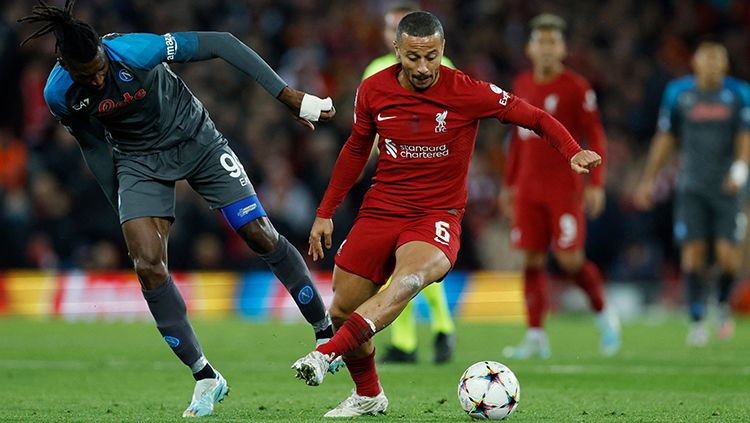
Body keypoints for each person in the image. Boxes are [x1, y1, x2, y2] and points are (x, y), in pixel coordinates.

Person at [20, 0, 339, 418]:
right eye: (87, 76)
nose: (98, 78)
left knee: (258, 232)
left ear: (102, 49)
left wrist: (287, 95)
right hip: (137, 160)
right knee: (147, 265)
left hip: (197, 140)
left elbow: (223, 43)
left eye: (99, 67)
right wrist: (119, 199)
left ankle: (323, 332)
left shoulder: (136, 51)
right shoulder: (59, 94)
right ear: (65, 67)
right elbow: (93, 145)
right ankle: (206, 377)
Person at [291, 11, 601, 417]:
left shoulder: (467, 90)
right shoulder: (372, 90)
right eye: (414, 58)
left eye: (432, 57)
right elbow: (355, 150)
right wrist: (325, 211)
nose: (423, 68)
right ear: (397, 51)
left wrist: (571, 150)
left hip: (436, 215)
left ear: (443, 52)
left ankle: (325, 354)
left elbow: (533, 116)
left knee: (408, 281)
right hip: (382, 208)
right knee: (342, 308)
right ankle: (368, 395)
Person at [500, 14, 620, 359]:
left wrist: (596, 182)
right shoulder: (521, 83)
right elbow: (517, 138)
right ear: (530, 48)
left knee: (569, 260)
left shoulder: (576, 87)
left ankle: (603, 313)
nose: (548, 49)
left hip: (563, 187)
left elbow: (595, 133)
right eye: (542, 42)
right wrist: (509, 184)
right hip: (527, 187)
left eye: (554, 42)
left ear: (564, 48)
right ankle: (536, 335)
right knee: (531, 259)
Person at [634, 40, 750, 347]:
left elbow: (745, 135)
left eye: (717, 60)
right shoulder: (678, 93)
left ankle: (723, 304)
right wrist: (649, 179)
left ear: (725, 65)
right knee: (693, 255)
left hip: (728, 186)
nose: (712, 65)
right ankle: (697, 322)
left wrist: (739, 169)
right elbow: (665, 137)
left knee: (728, 258)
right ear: (695, 63)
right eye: (706, 59)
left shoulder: (739, 93)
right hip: (691, 186)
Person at [361, 1, 457, 365]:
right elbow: (367, 125)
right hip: (393, 178)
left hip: (435, 181)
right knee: (397, 260)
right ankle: (409, 341)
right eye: (387, 29)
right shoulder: (374, 71)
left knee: (419, 259)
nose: (389, 36)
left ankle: (439, 329)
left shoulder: (442, 69)